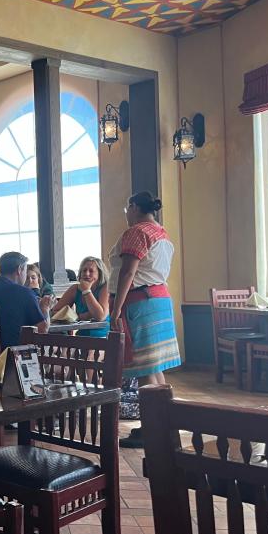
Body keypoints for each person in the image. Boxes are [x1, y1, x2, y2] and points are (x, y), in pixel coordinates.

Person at [109, 191, 181, 448]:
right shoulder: (161, 232)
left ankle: (152, 429)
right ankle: (163, 422)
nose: (126, 214)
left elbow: (128, 271)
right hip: (159, 299)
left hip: (139, 302)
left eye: (127, 209)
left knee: (142, 368)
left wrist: (116, 310)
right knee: (155, 366)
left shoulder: (137, 232)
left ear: (135, 207)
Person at [0, 251, 52, 350]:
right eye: (25, 270)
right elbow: (42, 331)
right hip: (16, 354)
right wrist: (45, 308)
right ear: (19, 269)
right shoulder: (25, 293)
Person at [51, 256, 110, 337]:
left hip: (103, 336)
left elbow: (100, 317)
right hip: (81, 336)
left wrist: (86, 291)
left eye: (91, 271)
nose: (87, 274)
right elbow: (55, 312)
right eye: (84, 270)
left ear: (99, 273)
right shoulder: (75, 289)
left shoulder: (105, 287)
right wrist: (74, 317)